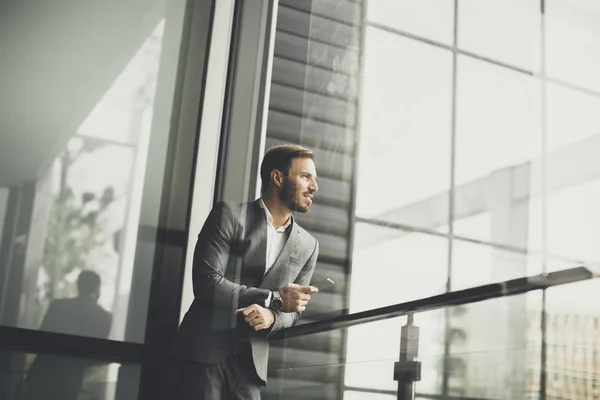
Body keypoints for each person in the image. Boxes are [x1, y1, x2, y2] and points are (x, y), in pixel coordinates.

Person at [168, 144, 320, 399]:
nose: (314, 186)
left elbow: (294, 311)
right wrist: (272, 299)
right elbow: (207, 282)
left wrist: (272, 317)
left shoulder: (308, 244)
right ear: (277, 177)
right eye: (305, 176)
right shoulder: (228, 215)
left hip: (251, 367)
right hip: (203, 354)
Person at [23, 270, 112, 400]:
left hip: (42, 373)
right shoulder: (105, 318)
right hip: (70, 381)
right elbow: (98, 356)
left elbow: (41, 337)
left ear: (78, 286)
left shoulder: (58, 306)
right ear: (97, 289)